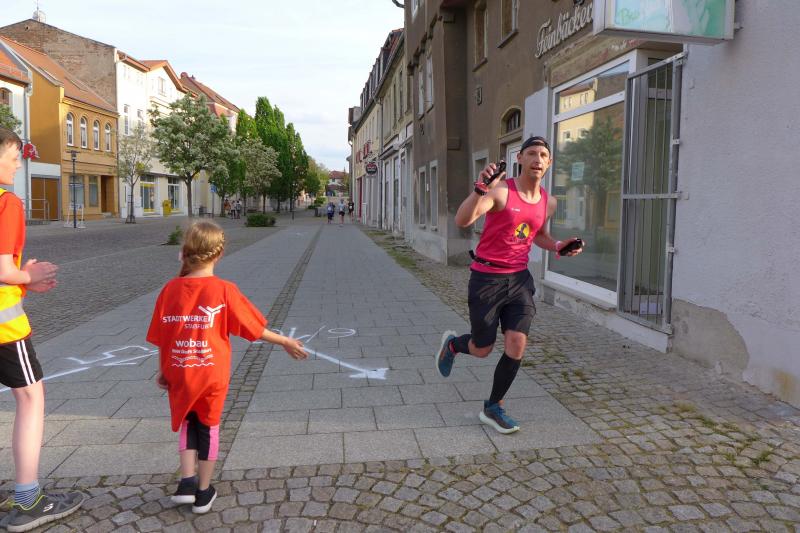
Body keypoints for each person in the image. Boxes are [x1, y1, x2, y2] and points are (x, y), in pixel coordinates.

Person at [146, 221, 308, 514]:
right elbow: (253, 328)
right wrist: (284, 341)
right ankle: (203, 491)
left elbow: (162, 336)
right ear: (219, 254)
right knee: (208, 427)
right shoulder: (224, 290)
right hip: (211, 373)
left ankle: (186, 482)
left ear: (186, 251)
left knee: (187, 420)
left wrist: (163, 370)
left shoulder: (169, 289)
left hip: (178, 369)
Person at [435, 136, 583, 434]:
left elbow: (537, 234)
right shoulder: (501, 191)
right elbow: (463, 220)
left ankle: (493, 407)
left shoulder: (549, 201)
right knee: (482, 349)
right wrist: (480, 189)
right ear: (520, 158)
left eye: (543, 155)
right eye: (532, 153)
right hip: (486, 280)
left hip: (519, 280)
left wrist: (557, 245)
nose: (537, 159)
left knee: (517, 343)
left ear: (549, 162)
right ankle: (453, 345)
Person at [0, 128, 85, 532]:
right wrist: (26, 275)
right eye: (13, 157)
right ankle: (28, 499)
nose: (18, 164)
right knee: (31, 397)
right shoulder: (7, 203)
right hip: (4, 328)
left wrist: (22, 280)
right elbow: (2, 269)